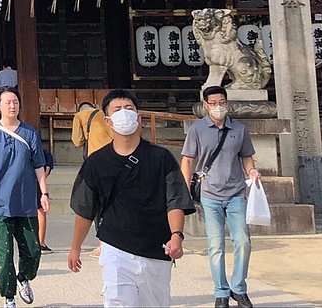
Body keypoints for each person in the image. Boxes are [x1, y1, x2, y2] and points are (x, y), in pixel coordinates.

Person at [67, 89, 194, 307]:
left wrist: (177, 235)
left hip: (156, 248)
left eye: (129, 109)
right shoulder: (96, 162)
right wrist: (75, 247)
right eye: (117, 110)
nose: (124, 113)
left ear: (139, 117)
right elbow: (85, 208)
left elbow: (175, 200)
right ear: (108, 121)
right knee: (118, 302)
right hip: (115, 247)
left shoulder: (160, 157)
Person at [181, 85, 260, 308]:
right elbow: (187, 160)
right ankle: (221, 292)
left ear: (227, 102)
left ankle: (239, 287)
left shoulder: (239, 129)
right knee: (215, 245)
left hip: (236, 192)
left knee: (243, 241)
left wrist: (251, 171)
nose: (218, 107)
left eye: (222, 102)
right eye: (213, 103)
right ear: (205, 105)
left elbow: (246, 156)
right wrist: (184, 191)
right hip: (209, 194)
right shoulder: (197, 129)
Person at [0, 86, 49, 308]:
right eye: (7, 102)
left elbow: (39, 165)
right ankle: (9, 296)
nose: (12, 105)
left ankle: (24, 277)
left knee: (33, 250)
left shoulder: (30, 133)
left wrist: (43, 193)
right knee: (5, 255)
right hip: (0, 202)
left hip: (26, 202)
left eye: (15, 101)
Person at [37, 142, 55, 253]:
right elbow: (46, 172)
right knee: (41, 212)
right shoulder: (46, 154)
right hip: (38, 184)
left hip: (24, 183)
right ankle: (41, 243)